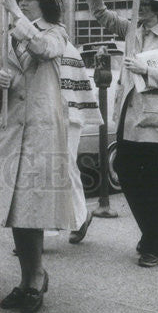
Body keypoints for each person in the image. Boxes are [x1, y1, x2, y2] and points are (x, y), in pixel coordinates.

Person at [0, 0, 73, 313]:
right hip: (12, 130)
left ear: (44, 3)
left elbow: (43, 49)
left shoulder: (56, 32)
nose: (21, 3)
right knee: (15, 210)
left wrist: (17, 16)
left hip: (39, 131)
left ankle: (34, 278)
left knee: (31, 208)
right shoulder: (8, 34)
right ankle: (28, 278)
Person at [86, 0, 158, 267]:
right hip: (128, 120)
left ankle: (153, 247)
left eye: (141, 3)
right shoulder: (132, 30)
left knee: (154, 186)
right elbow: (103, 16)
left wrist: (144, 69)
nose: (136, 7)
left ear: (154, 7)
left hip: (156, 124)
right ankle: (150, 234)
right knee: (126, 174)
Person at [60, 36, 103, 244]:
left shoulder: (64, 47)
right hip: (42, 115)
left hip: (68, 116)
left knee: (66, 168)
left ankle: (80, 216)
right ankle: (34, 232)